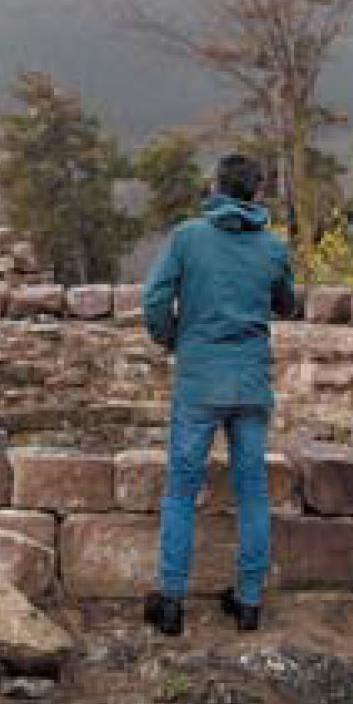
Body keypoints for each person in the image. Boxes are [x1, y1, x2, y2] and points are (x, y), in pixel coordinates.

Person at [141, 154, 298, 637]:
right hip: (250, 383)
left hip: (199, 381)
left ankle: (170, 601)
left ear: (216, 187)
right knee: (252, 492)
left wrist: (173, 338)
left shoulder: (188, 237)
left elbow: (154, 300)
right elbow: (287, 304)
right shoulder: (272, 248)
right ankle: (248, 603)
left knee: (182, 489)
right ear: (256, 193)